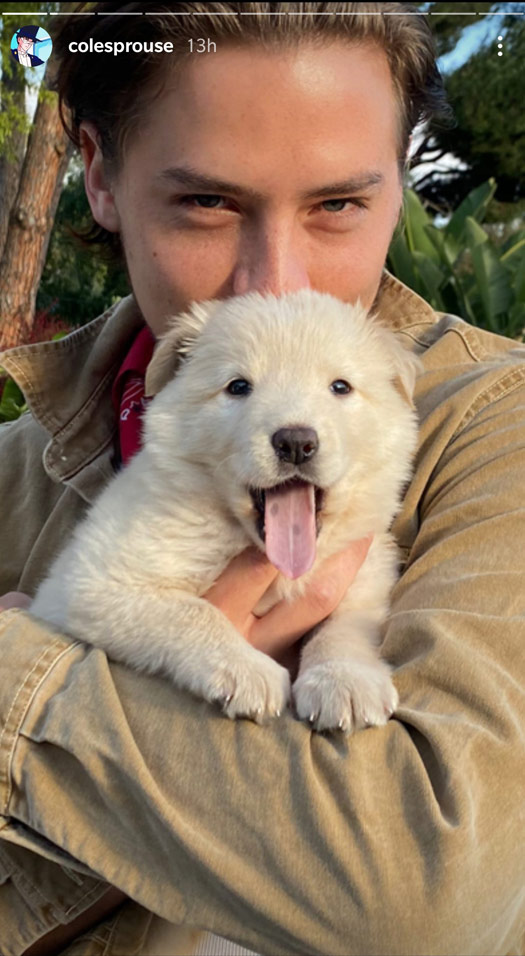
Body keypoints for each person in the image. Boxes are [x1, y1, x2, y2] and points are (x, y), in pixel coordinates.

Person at [0, 2, 524, 954]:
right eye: (208, 202)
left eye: (336, 204)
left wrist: (18, 684)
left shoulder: (495, 431)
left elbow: (423, 896)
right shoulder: (9, 469)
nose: (276, 284)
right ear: (101, 175)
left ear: (399, 182)